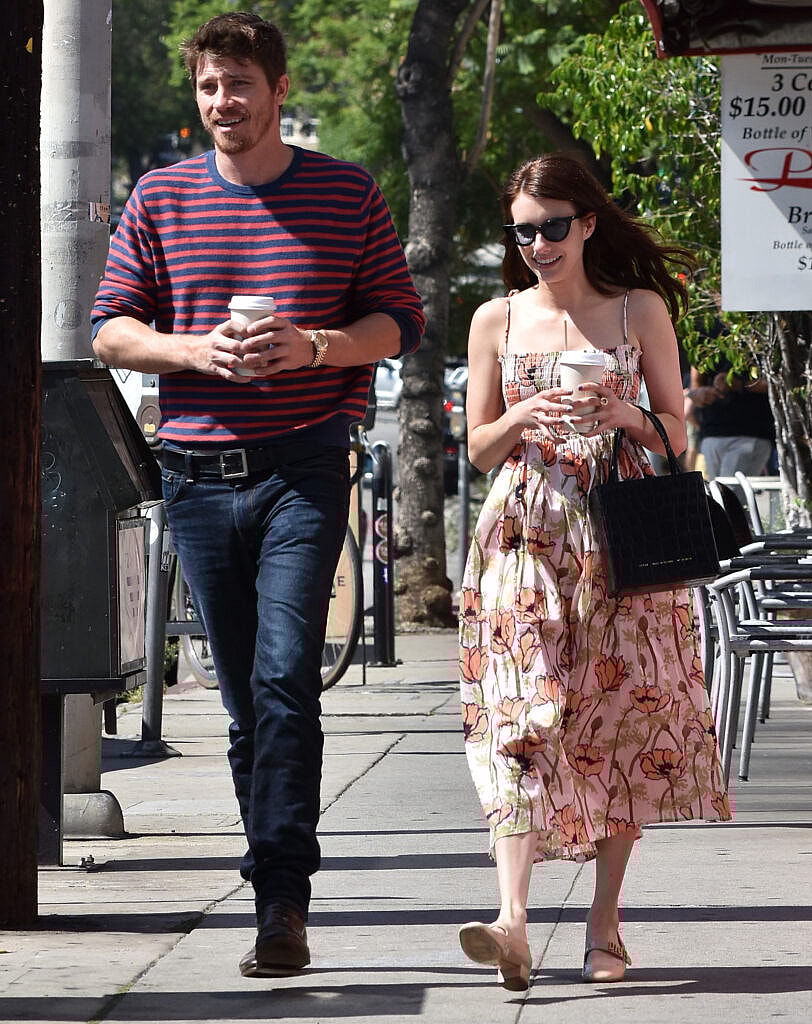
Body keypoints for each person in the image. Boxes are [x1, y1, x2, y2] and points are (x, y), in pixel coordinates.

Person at [91, 12, 424, 979]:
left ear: (278, 91)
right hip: (195, 474)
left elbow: (395, 324)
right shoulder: (161, 196)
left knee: (286, 680)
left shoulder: (345, 192)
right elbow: (111, 329)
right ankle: (272, 881)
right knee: (244, 703)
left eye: (239, 83)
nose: (222, 103)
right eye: (208, 88)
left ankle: (282, 899)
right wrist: (194, 350)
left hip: (305, 469)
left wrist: (314, 346)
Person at [457, 154, 730, 991]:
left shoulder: (635, 308)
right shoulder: (494, 319)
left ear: (586, 223)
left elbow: (679, 436)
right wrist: (523, 414)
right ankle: (511, 920)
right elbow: (474, 450)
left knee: (619, 719)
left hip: (620, 540)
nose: (536, 243)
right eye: (522, 229)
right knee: (517, 714)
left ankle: (603, 925)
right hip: (521, 538)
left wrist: (628, 413)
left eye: (550, 225)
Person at [687, 362, 776, 479]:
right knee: (717, 494)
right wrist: (700, 393)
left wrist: (738, 383)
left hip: (751, 434)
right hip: (711, 434)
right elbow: (695, 387)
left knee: (730, 493)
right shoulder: (702, 345)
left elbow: (779, 383)